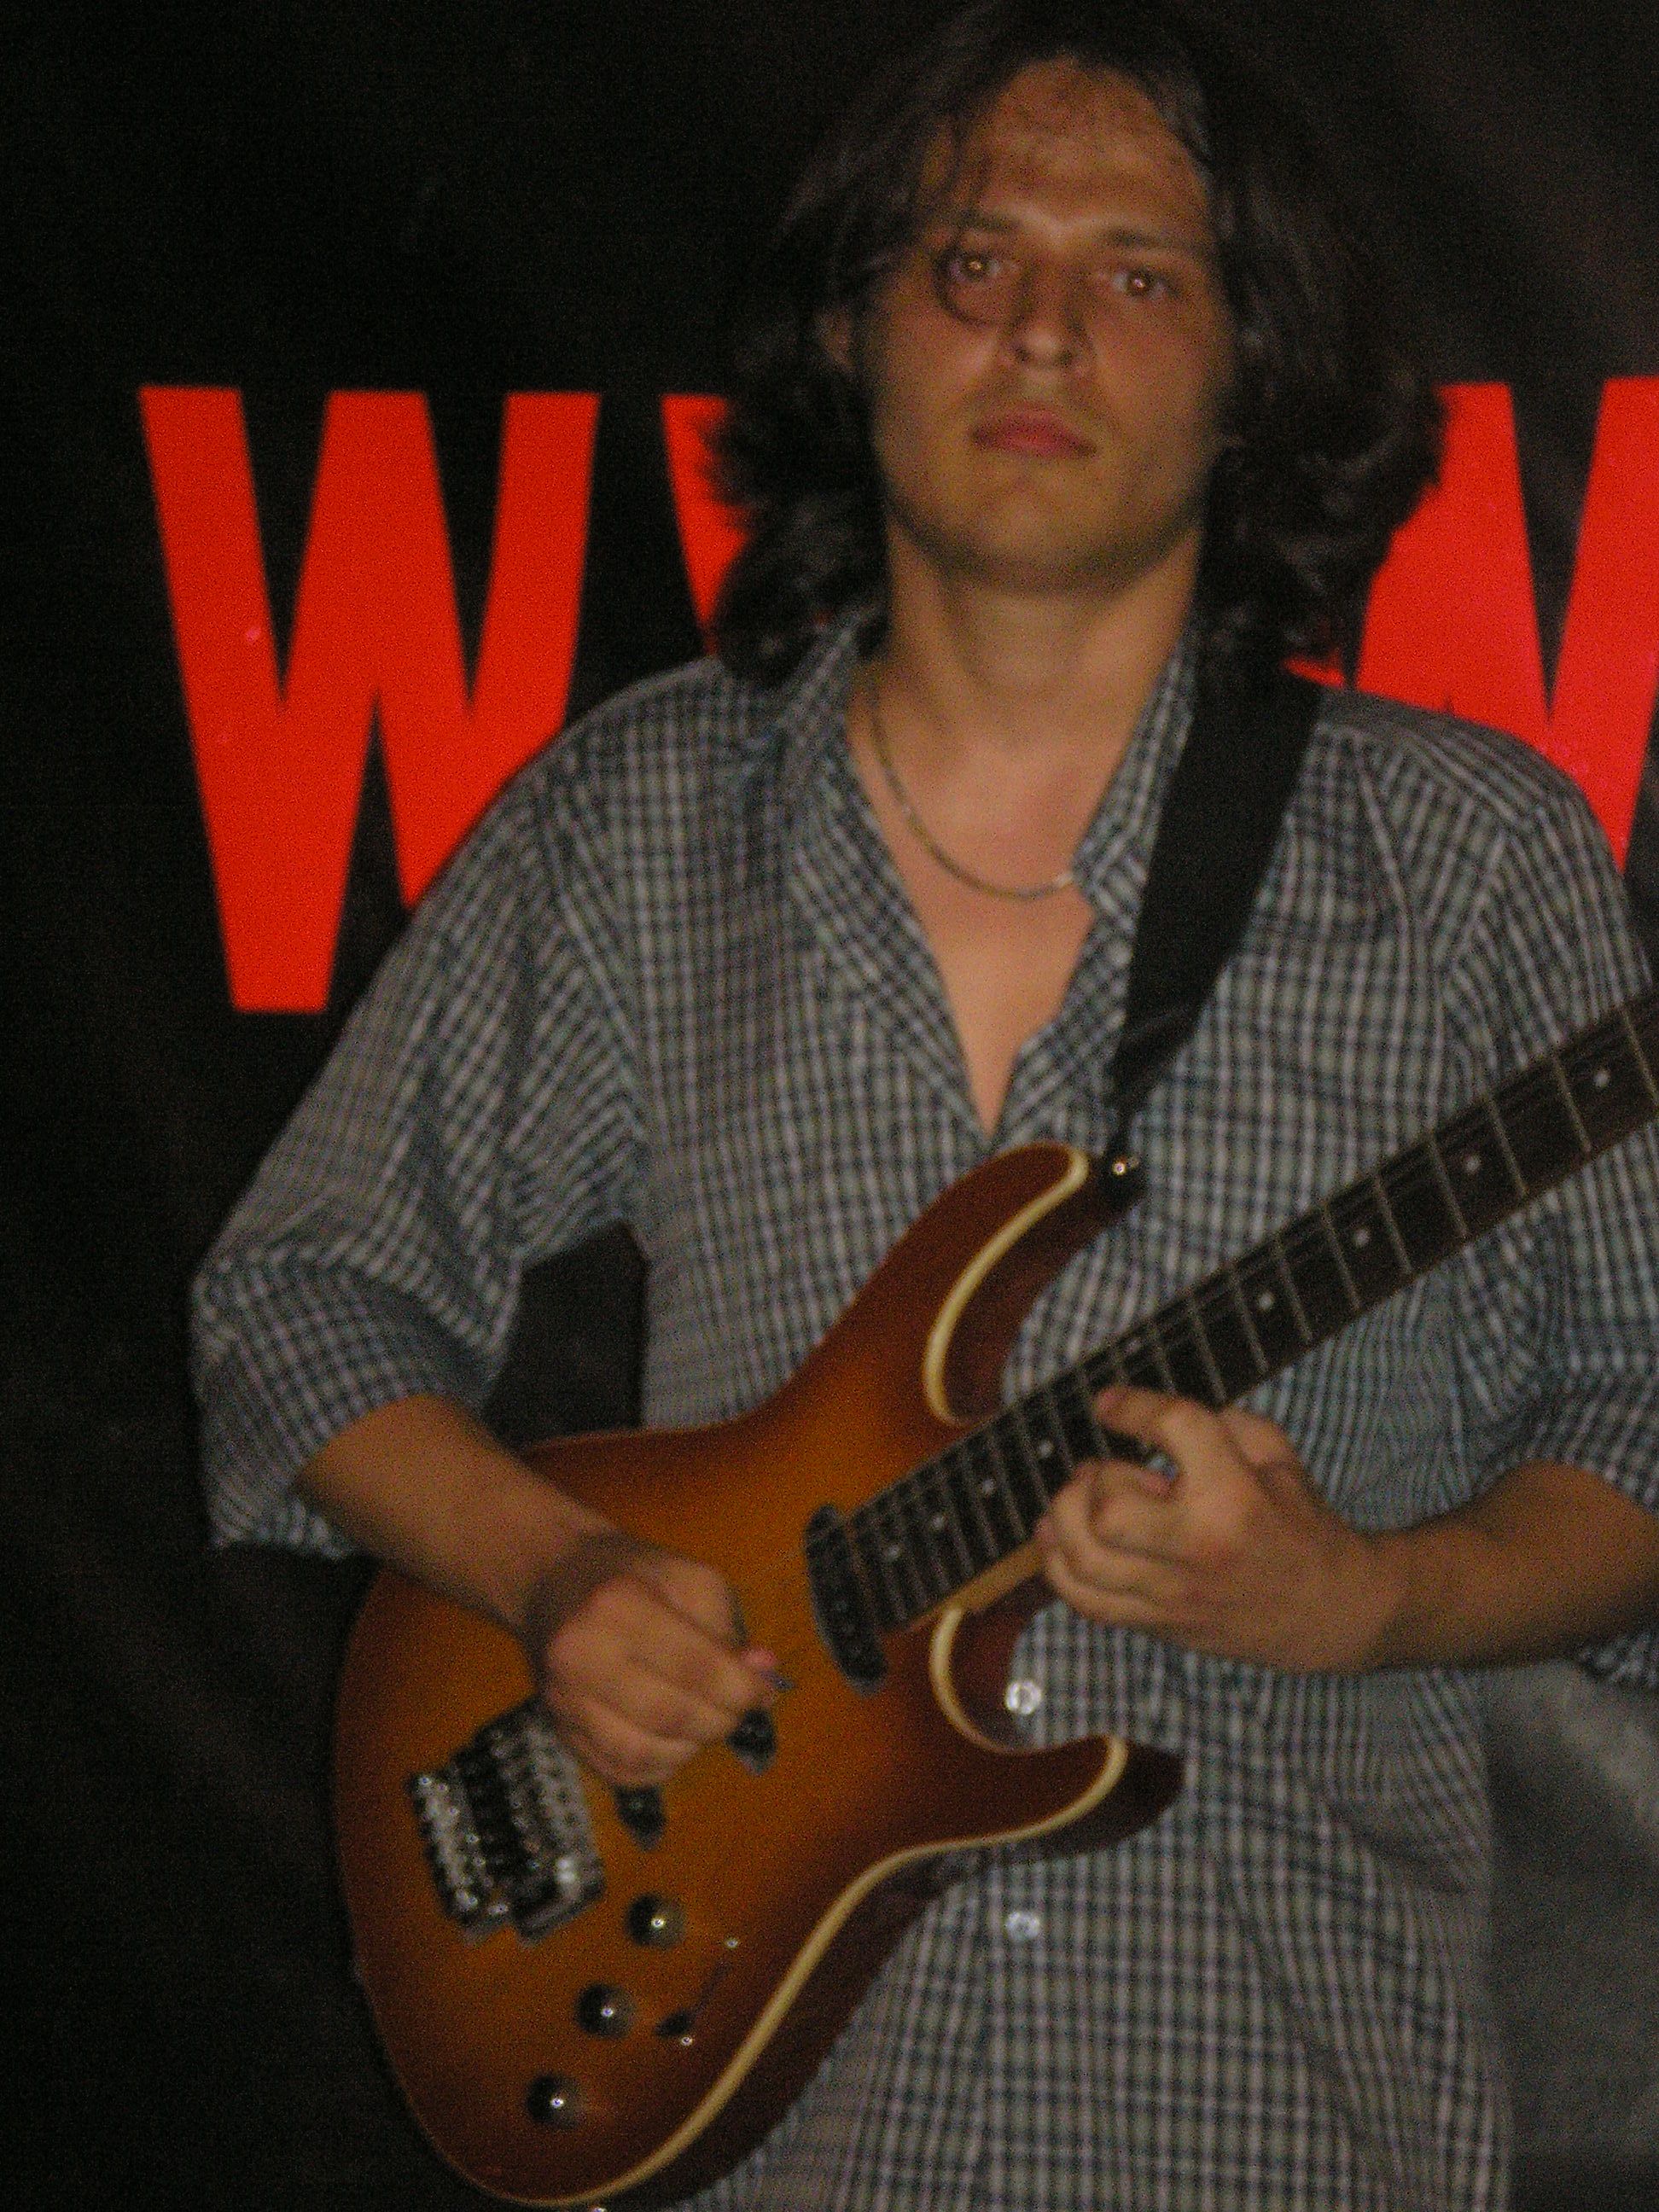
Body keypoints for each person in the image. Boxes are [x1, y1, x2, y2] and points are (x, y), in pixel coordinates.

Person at [191, 3, 1659, 2205]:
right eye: (975, 260)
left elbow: (1646, 1415)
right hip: (778, 2125)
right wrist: (558, 1572)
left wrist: (1364, 1600)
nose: (1044, 331)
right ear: (854, 330)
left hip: (1281, 2116)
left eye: (1139, 273)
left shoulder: (1466, 861)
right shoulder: (644, 820)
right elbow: (295, 1298)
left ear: (1250, 366)